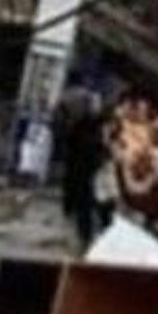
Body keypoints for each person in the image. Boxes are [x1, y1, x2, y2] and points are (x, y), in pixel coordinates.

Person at [53, 85, 110, 247]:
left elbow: (65, 140)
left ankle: (87, 236)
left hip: (82, 167)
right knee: (98, 201)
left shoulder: (75, 126)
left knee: (84, 202)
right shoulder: (94, 125)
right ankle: (100, 232)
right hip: (91, 166)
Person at [109, 90, 158, 232]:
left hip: (146, 167)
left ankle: (149, 222)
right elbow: (115, 144)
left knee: (149, 199)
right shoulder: (121, 124)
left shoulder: (154, 126)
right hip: (130, 166)